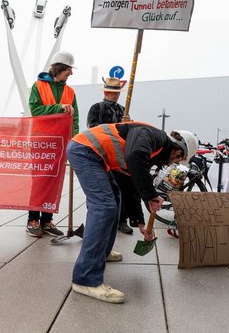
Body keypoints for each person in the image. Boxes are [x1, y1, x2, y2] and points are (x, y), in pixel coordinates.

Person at [66, 123, 197, 303]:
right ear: (179, 151)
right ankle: (85, 279)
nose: (173, 163)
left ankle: (101, 252)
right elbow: (134, 157)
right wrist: (151, 195)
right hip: (86, 151)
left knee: (115, 198)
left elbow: (129, 184)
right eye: (178, 160)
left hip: (94, 155)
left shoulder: (151, 151)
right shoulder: (155, 138)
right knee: (104, 207)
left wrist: (140, 222)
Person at [26, 51, 79, 237]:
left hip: (60, 144)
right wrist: (59, 107)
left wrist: (74, 142)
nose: (71, 73)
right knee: (40, 180)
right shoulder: (38, 86)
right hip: (41, 142)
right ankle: (33, 219)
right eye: (69, 69)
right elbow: (35, 110)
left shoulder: (70, 92)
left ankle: (46, 220)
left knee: (54, 181)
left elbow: (75, 119)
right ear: (59, 68)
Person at [86, 77, 144, 235]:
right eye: (113, 92)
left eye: (117, 92)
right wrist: (116, 127)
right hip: (102, 154)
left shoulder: (122, 109)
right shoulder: (96, 108)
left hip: (120, 155)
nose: (116, 95)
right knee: (106, 189)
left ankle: (122, 220)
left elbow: (128, 133)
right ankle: (106, 220)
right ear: (106, 92)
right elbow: (92, 129)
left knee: (124, 187)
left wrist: (128, 124)